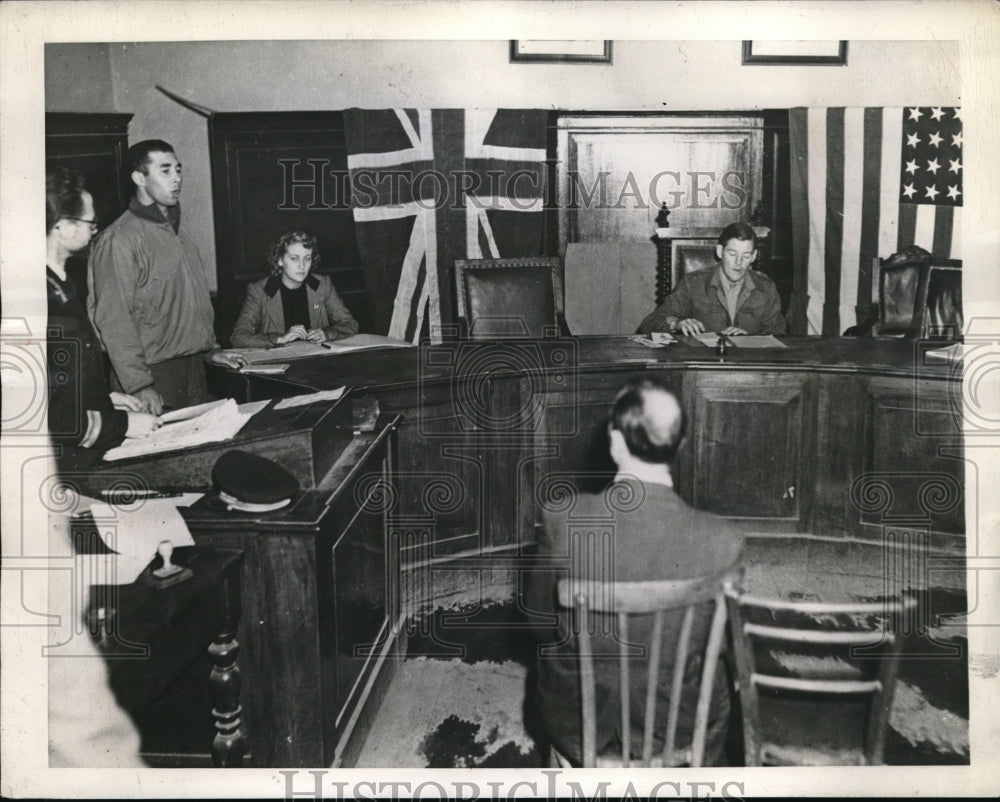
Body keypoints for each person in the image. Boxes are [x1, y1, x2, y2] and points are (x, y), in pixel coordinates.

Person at [526, 376, 744, 765]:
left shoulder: (563, 518)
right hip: (680, 725)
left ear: (615, 442)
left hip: (579, 723)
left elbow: (539, 623)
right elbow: (726, 646)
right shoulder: (724, 540)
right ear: (681, 446)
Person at [87, 139, 245, 416]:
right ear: (139, 178)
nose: (177, 178)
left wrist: (210, 351)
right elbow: (114, 320)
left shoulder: (178, 232)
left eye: (178, 170)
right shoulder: (120, 239)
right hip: (151, 375)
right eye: (165, 170)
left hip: (193, 369)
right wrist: (139, 384)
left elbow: (187, 302)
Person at [46, 164, 161, 470]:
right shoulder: (45, 299)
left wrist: (105, 399)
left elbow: (62, 383)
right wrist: (123, 424)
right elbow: (50, 416)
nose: (94, 231)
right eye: (91, 223)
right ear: (63, 227)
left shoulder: (59, 283)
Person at [639, 222, 786, 336]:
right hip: (704, 362)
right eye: (732, 254)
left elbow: (779, 334)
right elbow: (649, 323)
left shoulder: (766, 288)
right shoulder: (693, 283)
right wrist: (676, 323)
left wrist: (749, 339)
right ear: (720, 251)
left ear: (753, 256)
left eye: (746, 256)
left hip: (747, 363)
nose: (739, 263)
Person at [230, 230, 358, 348]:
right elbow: (238, 337)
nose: (302, 266)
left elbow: (350, 324)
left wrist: (327, 333)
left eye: (307, 259)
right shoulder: (259, 291)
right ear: (280, 260)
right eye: (294, 258)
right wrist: (279, 338)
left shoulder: (322, 285)